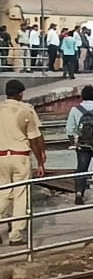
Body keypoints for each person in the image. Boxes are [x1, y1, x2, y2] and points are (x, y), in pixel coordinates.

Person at [0, 78, 46, 247]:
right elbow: (35, 138)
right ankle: (16, 235)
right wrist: (40, 161)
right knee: (20, 195)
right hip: (20, 156)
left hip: (1, 156)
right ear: (20, 94)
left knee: (3, 193)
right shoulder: (25, 110)